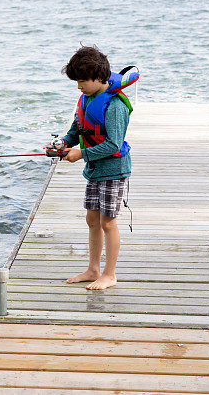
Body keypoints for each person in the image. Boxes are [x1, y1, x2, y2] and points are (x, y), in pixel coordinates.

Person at [47, 46, 138, 290]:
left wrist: (81, 154)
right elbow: (77, 130)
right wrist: (63, 144)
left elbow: (113, 144)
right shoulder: (87, 99)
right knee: (92, 219)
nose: (79, 86)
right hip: (95, 171)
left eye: (82, 81)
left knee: (108, 222)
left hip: (114, 170)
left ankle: (110, 274)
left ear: (99, 77)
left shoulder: (115, 105)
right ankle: (93, 269)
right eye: (76, 81)